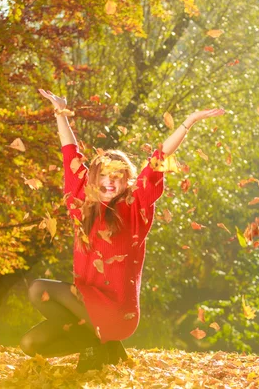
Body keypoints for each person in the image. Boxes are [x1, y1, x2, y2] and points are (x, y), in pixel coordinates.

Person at [19, 89, 224, 372]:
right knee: (30, 343)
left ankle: (103, 341)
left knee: (39, 288)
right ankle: (103, 347)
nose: (109, 182)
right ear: (93, 179)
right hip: (87, 310)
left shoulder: (134, 206)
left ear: (127, 181)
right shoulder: (82, 202)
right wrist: (61, 112)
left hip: (118, 312)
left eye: (117, 177)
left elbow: (159, 158)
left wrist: (188, 122)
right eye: (103, 175)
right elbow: (70, 154)